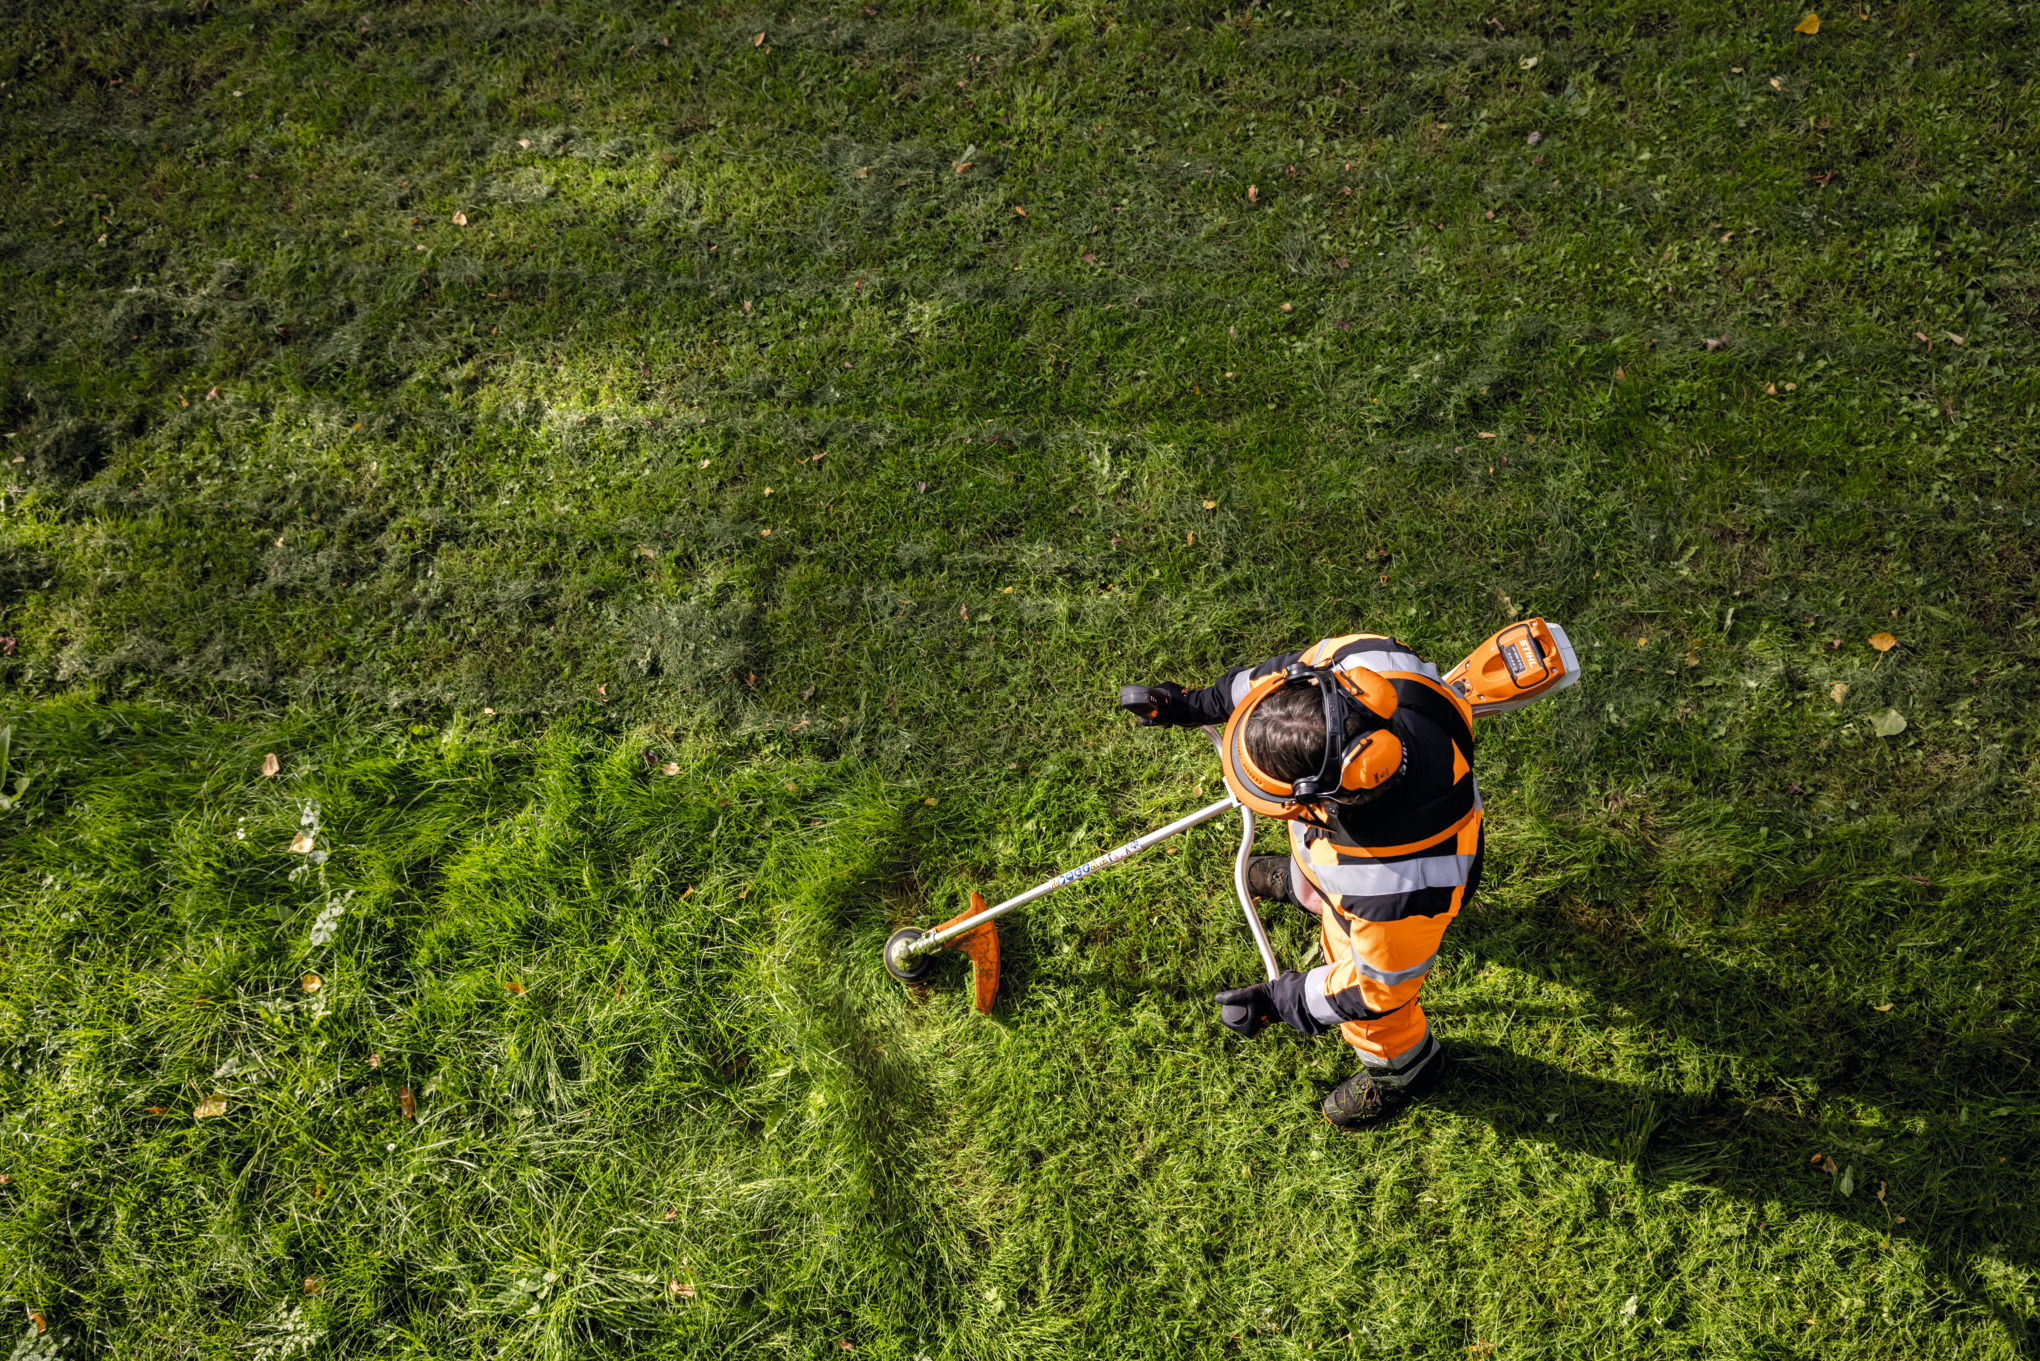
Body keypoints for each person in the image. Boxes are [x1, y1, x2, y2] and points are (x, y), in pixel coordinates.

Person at [1126, 632, 1481, 1129]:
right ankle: (1305, 886)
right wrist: (1198, 704)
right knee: (1316, 857)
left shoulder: (1391, 892)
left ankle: (1405, 1071)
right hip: (1356, 835)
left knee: (1377, 1018)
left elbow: (1377, 988)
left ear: (1316, 801)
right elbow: (1288, 671)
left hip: (1401, 894)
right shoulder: (1365, 662)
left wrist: (1283, 1000)